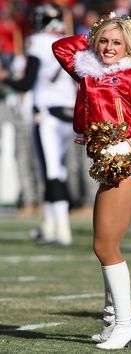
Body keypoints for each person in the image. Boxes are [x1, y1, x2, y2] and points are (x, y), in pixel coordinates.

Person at [52, 12, 131, 349]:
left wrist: (129, 143)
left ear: (128, 46)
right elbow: (61, 46)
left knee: (105, 247)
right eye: (103, 41)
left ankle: (125, 324)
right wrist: (98, 29)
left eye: (117, 42)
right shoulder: (87, 73)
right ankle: (111, 320)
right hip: (106, 167)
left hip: (127, 165)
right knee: (104, 244)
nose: (108, 47)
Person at [0, 4, 77, 245]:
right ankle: (49, 225)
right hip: (71, 113)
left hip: (48, 115)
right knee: (58, 171)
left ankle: (61, 230)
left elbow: (26, 84)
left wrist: (6, 78)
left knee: (52, 172)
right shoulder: (71, 42)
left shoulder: (37, 42)